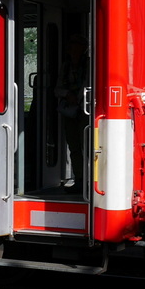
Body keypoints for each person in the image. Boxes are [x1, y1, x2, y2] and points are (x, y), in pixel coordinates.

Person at [55, 33, 88, 190]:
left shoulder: (88, 64)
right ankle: (80, 179)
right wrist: (67, 94)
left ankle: (91, 180)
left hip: (85, 111)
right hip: (70, 111)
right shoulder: (66, 66)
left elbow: (90, 85)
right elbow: (57, 89)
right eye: (71, 45)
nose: (72, 49)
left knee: (87, 146)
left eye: (76, 45)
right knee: (74, 146)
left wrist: (79, 98)